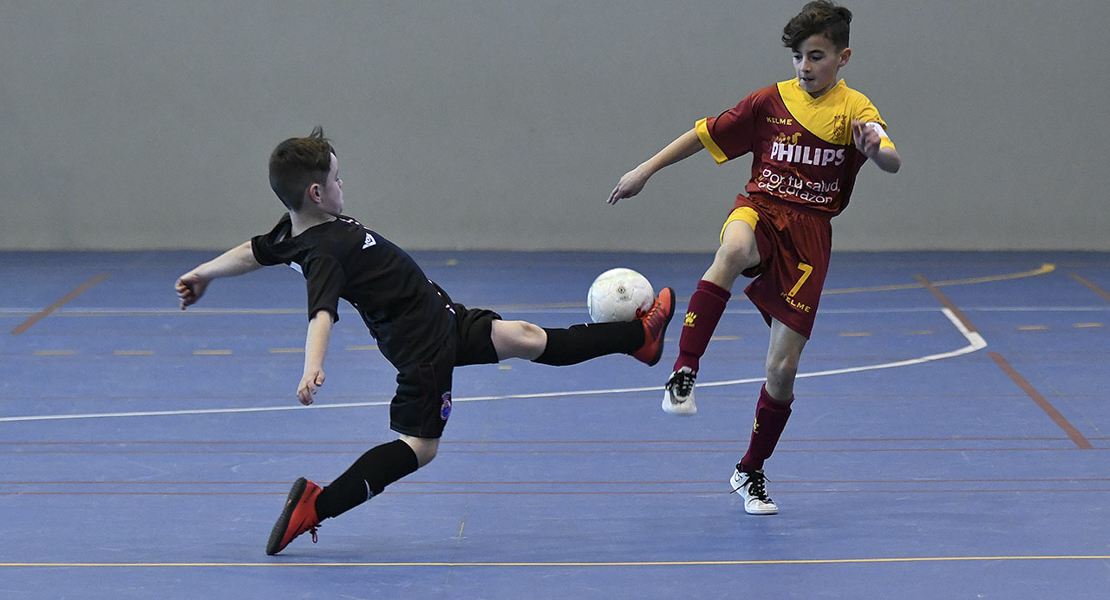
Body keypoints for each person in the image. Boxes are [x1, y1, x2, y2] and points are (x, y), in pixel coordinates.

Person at [175, 127, 675, 554]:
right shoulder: (323, 252)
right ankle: (315, 506)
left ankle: (639, 338)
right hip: (424, 348)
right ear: (315, 193)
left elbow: (253, 251)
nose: (342, 182)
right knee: (420, 446)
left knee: (523, 337)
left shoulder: (298, 230)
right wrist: (312, 366)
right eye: (335, 178)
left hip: (442, 316)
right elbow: (321, 313)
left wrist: (203, 274)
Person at [607, 1, 900, 515]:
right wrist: (644, 170)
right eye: (797, 57)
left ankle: (750, 471)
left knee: (782, 371)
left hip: (809, 238)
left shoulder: (856, 110)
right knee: (735, 247)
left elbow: (893, 160)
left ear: (843, 57)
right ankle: (684, 370)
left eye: (816, 56)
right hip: (761, 209)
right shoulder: (770, 101)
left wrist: (874, 149)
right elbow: (703, 133)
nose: (805, 67)